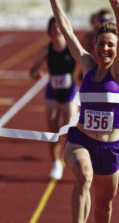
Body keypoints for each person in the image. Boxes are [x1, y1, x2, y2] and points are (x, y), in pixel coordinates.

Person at [43, 0, 119, 223]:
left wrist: (116, 8)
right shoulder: (86, 64)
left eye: (110, 45)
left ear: (117, 49)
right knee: (84, 175)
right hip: (80, 140)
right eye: (100, 44)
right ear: (93, 46)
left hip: (109, 149)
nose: (104, 49)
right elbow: (67, 30)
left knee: (104, 206)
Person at [29, 17, 80, 180]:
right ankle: (56, 163)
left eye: (59, 27)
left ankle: (71, 158)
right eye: (53, 28)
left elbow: (84, 63)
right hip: (52, 90)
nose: (56, 30)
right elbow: (33, 70)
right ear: (49, 31)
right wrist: (37, 74)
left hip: (70, 91)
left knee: (69, 128)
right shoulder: (46, 49)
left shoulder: (71, 48)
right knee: (52, 130)